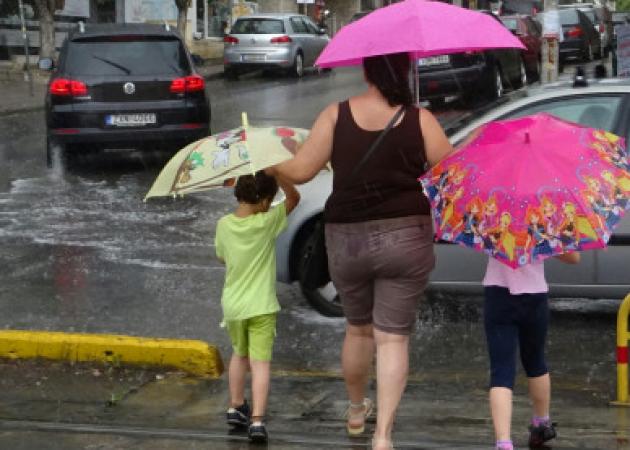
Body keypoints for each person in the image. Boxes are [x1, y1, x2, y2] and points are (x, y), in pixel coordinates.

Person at [270, 52, 454, 450]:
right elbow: (450, 174)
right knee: (392, 340)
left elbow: (301, 171)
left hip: (347, 239)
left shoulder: (335, 115)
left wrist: (273, 166)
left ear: (367, 70)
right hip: (406, 237)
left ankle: (356, 411)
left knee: (357, 330)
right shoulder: (419, 119)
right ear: (404, 73)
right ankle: (383, 435)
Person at [214, 171, 300, 443]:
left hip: (233, 306)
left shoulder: (223, 225)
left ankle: (236, 406)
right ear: (264, 201)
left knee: (239, 355)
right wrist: (280, 174)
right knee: (260, 363)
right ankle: (257, 421)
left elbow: (221, 258)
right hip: (261, 306)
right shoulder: (267, 221)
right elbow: (295, 198)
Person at [483, 251, 581, 450]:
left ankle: (503, 441)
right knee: (535, 361)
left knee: (501, 371)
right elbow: (573, 258)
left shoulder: (491, 220)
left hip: (498, 293)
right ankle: (542, 423)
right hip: (535, 294)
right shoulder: (543, 221)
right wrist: (546, 248)